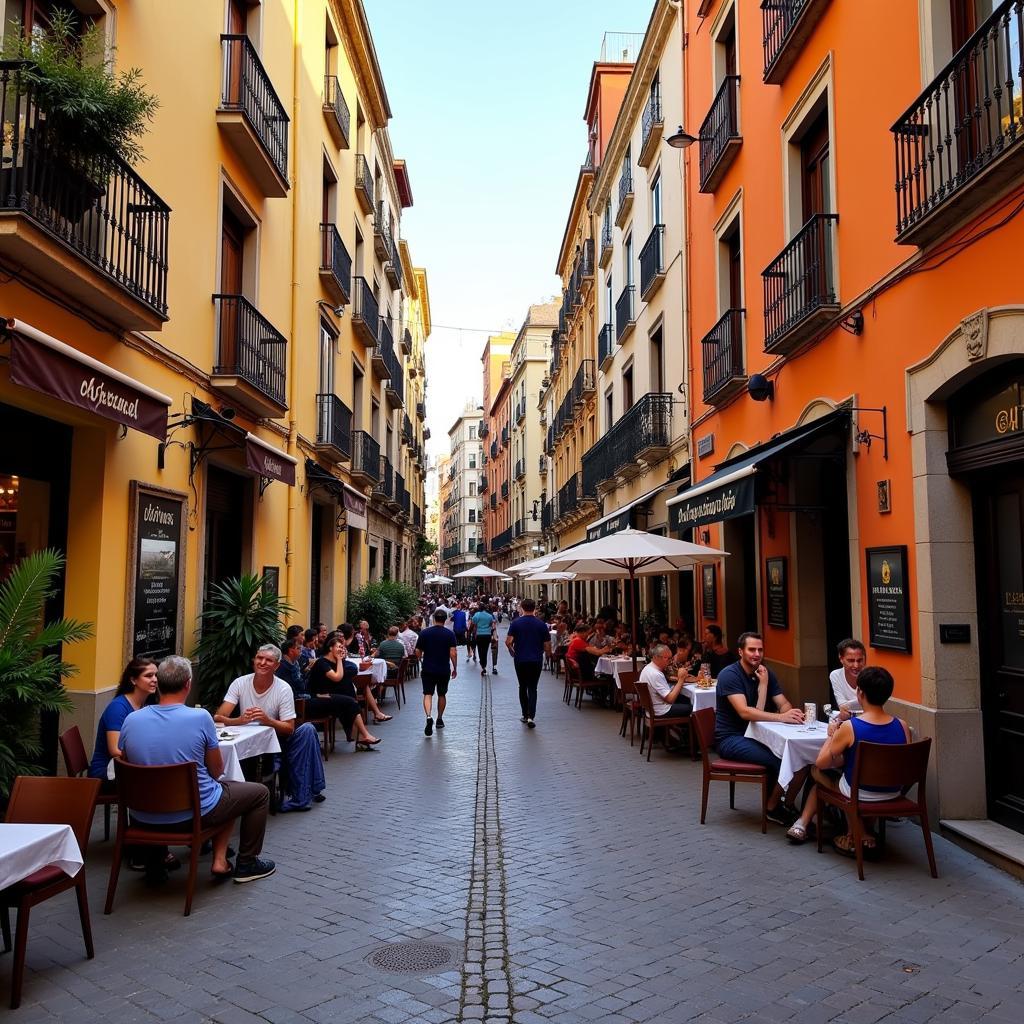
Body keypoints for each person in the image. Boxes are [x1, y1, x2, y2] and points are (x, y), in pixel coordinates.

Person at [119, 655, 275, 884]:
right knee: (257, 793)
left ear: (158, 684)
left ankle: (155, 865)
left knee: (208, 791)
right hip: (191, 813)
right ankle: (247, 863)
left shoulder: (132, 720)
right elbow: (216, 770)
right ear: (188, 685)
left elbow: (128, 761)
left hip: (143, 814)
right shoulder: (200, 717)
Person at [786, 666, 910, 850]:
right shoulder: (902, 725)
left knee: (817, 771)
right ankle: (854, 830)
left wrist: (831, 735)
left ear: (860, 693)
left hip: (860, 792)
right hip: (893, 790)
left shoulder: (851, 727)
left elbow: (821, 762)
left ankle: (851, 832)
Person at [214, 645, 325, 813]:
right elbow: (219, 717)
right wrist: (240, 720)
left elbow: (289, 728)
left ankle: (299, 795)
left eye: (268, 660)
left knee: (307, 731)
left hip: (277, 741)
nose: (263, 663)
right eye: (260, 658)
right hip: (248, 739)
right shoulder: (240, 683)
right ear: (254, 660)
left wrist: (267, 720)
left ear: (277, 666)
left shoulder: (283, 688)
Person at [714, 632, 807, 826]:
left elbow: (783, 703)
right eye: (751, 649)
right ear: (740, 651)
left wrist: (791, 713)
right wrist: (781, 717)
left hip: (758, 735)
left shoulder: (765, 673)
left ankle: (786, 804)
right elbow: (745, 713)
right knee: (780, 760)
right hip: (731, 738)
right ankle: (772, 808)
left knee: (800, 758)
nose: (757, 654)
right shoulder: (729, 675)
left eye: (760, 649)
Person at [89, 657, 158, 785]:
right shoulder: (118, 707)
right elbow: (114, 750)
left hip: (128, 767)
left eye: (156, 675)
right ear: (133, 680)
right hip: (105, 772)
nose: (155, 679)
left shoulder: (146, 704)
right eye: (149, 676)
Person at [306, 635, 380, 748]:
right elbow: (337, 677)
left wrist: (340, 660)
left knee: (349, 696)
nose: (341, 649)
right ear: (330, 648)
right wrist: (340, 660)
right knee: (350, 702)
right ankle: (363, 736)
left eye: (342, 647)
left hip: (327, 696)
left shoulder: (334, 662)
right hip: (316, 698)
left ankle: (360, 737)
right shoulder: (322, 662)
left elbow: (346, 671)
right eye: (339, 647)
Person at [505, 598, 552, 728]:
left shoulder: (516, 623)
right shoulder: (541, 624)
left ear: (522, 608)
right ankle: (531, 716)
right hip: (536, 659)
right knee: (533, 687)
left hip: (520, 659)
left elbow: (508, 641)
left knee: (522, 686)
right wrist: (547, 656)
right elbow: (547, 645)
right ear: (534, 608)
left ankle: (525, 715)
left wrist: (512, 651)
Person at [416, 609, 457, 736]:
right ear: (445, 620)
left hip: (428, 668)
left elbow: (417, 651)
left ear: (434, 619)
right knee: (441, 694)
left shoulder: (425, 633)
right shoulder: (449, 634)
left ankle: (428, 716)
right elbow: (453, 653)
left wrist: (421, 659)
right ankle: (439, 719)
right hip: (443, 669)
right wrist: (455, 667)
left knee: (427, 693)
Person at [641, 643, 694, 720]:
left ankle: (683, 729)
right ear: (656, 657)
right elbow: (670, 699)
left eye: (671, 658)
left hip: (652, 709)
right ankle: (689, 731)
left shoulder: (647, 668)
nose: (670, 661)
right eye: (667, 658)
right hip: (661, 710)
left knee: (684, 699)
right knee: (694, 707)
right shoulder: (655, 673)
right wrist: (681, 679)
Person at [829, 638, 866, 716]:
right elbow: (843, 709)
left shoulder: (871, 677)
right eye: (851, 661)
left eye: (859, 660)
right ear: (841, 659)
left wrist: (847, 707)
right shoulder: (835, 675)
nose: (856, 665)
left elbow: (872, 709)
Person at [470, 602, 495, 676]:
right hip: (487, 635)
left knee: (480, 650)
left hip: (479, 635)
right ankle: (484, 664)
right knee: (485, 649)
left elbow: (473, 623)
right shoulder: (489, 616)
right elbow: (491, 624)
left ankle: (483, 665)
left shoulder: (477, 615)